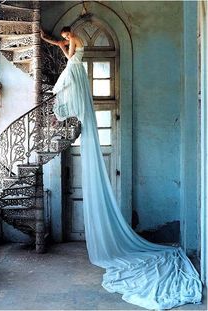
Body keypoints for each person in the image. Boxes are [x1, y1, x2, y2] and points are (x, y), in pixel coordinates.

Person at [41, 26, 202, 310]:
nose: (65, 40)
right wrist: (49, 41)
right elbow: (65, 52)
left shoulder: (76, 41)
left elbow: (70, 51)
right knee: (60, 93)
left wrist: (55, 42)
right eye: (65, 38)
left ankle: (61, 115)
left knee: (63, 90)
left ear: (70, 34)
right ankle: (59, 116)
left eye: (66, 37)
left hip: (76, 74)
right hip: (74, 72)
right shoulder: (71, 46)